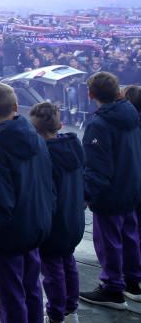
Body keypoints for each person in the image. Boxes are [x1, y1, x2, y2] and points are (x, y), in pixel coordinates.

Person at [0, 81, 56, 323]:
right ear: (15, 105)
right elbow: (48, 181)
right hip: (36, 224)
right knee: (32, 288)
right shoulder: (37, 137)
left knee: (10, 295)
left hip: (9, 235)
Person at [78, 71, 141, 309]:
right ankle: (133, 282)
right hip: (132, 186)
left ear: (91, 94)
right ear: (118, 91)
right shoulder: (132, 114)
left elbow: (97, 168)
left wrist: (85, 194)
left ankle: (112, 288)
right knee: (130, 236)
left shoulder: (99, 124)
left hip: (112, 194)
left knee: (110, 242)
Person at [29, 101, 85, 323]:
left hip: (54, 223)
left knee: (52, 272)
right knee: (69, 264)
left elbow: (47, 195)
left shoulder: (45, 157)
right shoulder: (73, 147)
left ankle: (56, 313)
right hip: (74, 219)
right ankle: (71, 308)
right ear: (59, 125)